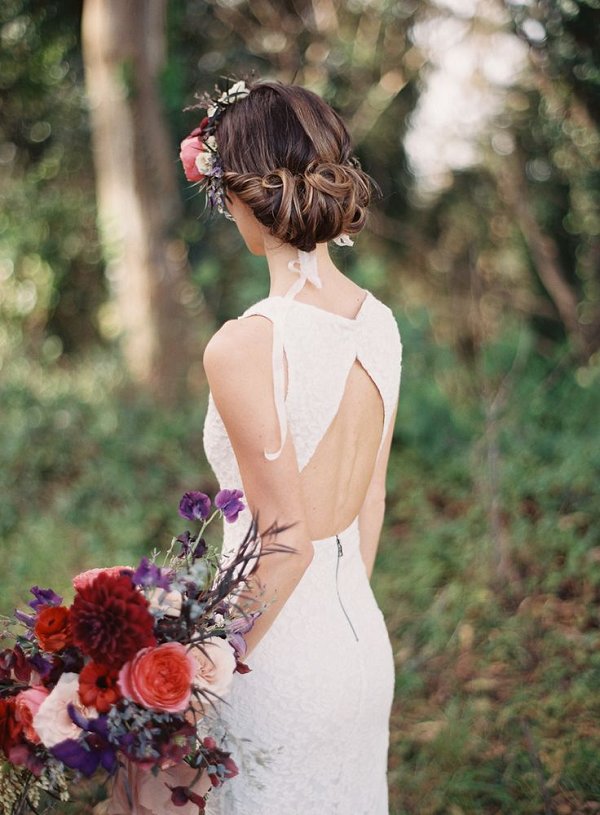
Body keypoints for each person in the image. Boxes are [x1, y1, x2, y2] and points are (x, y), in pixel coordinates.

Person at [180, 79, 402, 815]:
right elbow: (368, 497)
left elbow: (285, 542)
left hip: (271, 662)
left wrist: (200, 662)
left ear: (240, 195)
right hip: (358, 643)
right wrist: (341, 623)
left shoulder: (247, 343)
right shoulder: (380, 323)